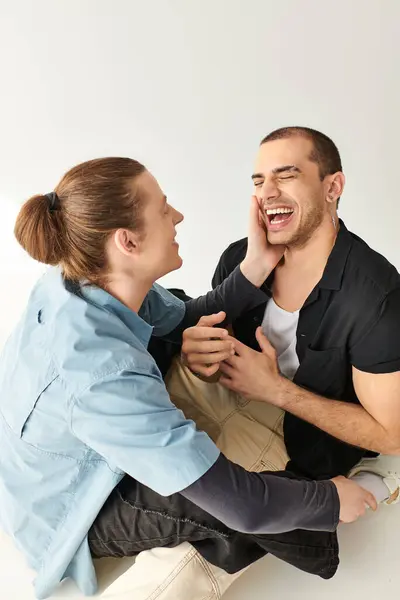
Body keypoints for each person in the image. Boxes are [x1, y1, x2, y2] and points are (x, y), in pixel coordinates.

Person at [0, 157, 373, 600]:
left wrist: (256, 264)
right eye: (162, 209)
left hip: (59, 457)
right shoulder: (104, 374)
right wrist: (329, 500)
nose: (177, 216)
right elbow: (245, 506)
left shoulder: (88, 276)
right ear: (127, 241)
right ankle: (319, 532)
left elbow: (182, 319)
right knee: (218, 506)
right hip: (79, 507)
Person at [160, 126, 400, 598]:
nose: (267, 192)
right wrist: (199, 352)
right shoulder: (241, 257)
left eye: (286, 176)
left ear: (333, 187)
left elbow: (392, 432)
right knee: (134, 450)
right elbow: (214, 343)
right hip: (231, 392)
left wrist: (276, 390)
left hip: (295, 431)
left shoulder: (375, 296)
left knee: (197, 542)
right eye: (258, 180)